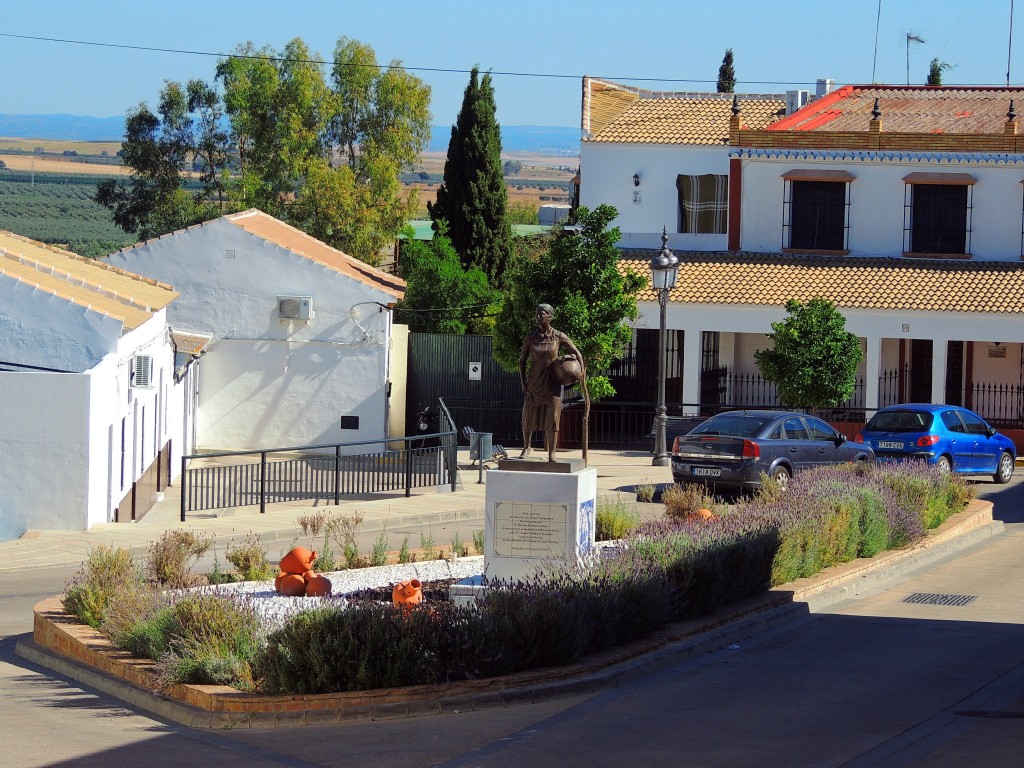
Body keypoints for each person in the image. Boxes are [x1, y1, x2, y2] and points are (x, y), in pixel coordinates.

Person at [518, 303, 585, 461]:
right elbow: (522, 361)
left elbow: (576, 352)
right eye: (537, 313)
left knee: (553, 419)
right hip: (534, 383)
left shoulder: (558, 336)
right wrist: (523, 382)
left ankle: (552, 452)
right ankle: (526, 447)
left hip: (552, 384)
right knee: (528, 417)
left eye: (541, 313)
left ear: (550, 316)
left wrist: (581, 372)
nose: (538, 316)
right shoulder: (531, 337)